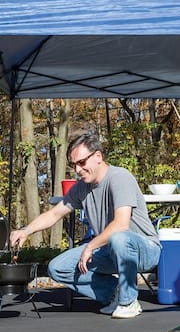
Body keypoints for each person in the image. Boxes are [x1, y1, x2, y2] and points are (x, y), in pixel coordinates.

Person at [9, 133, 161, 319]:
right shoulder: (82, 187)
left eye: (81, 162)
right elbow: (55, 213)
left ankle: (129, 301)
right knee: (58, 267)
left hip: (144, 250)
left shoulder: (120, 177)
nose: (78, 170)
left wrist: (90, 246)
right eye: (74, 165)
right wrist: (26, 230)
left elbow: (121, 224)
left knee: (119, 238)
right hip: (109, 249)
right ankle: (115, 293)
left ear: (98, 156)